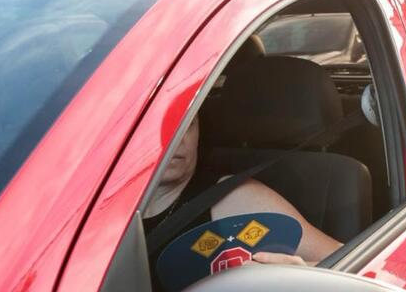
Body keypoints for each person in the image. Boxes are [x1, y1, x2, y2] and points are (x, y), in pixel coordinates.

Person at [142, 116, 341, 270]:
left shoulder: (231, 198)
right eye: (160, 123)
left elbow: (354, 263)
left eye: (187, 123)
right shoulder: (111, 201)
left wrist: (304, 274)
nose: (178, 137)